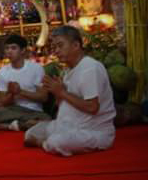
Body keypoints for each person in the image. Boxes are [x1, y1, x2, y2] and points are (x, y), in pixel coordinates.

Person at [24, 26, 116, 156]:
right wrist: (58, 94)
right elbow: (63, 105)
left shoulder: (90, 68)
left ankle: (45, 143)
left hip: (92, 131)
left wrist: (62, 92)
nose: (56, 51)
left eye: (60, 45)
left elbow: (92, 107)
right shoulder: (68, 70)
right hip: (68, 126)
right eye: (54, 47)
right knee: (31, 133)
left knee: (56, 142)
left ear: (76, 45)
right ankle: (47, 141)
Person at [0, 35, 50, 132]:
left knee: (47, 122)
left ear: (23, 50)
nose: (9, 51)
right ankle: (19, 125)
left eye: (13, 48)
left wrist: (20, 91)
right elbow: (4, 102)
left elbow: (44, 97)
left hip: (33, 111)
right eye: (7, 48)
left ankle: (11, 125)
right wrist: (11, 94)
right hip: (12, 109)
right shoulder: (2, 72)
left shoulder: (36, 68)